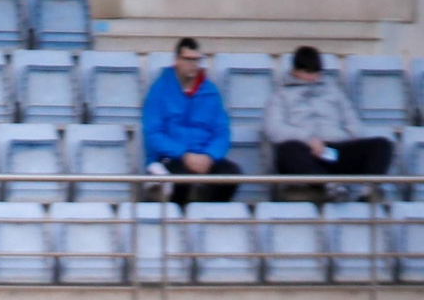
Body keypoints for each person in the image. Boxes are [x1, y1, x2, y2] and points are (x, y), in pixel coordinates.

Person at [265, 46, 395, 198]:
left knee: (382, 144)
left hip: (335, 151)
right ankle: (329, 185)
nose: (312, 77)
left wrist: (340, 140)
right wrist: (308, 140)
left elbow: (354, 124)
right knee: (288, 151)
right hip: (306, 152)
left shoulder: (334, 92)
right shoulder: (280, 96)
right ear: (295, 70)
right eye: (307, 72)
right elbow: (273, 129)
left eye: (316, 72)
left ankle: (368, 190)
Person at [141, 37, 240, 206]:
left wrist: (210, 156)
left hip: (205, 156)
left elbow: (222, 132)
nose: (193, 64)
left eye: (196, 60)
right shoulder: (159, 89)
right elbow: (153, 133)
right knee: (181, 177)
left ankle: (209, 218)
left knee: (231, 175)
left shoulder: (211, 92)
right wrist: (184, 155)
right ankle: (179, 221)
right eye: (188, 59)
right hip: (172, 157)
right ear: (176, 61)